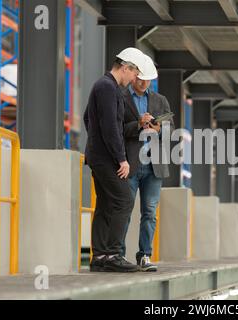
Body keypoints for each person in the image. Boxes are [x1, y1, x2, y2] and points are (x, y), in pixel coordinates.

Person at [83, 47, 146, 273]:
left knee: (106, 204)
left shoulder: (104, 86)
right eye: (134, 73)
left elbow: (87, 118)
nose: (134, 78)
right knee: (124, 200)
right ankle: (113, 254)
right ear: (125, 67)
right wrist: (121, 158)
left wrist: (95, 142)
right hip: (107, 158)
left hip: (98, 156)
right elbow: (111, 127)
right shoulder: (108, 87)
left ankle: (99, 256)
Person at [119, 54, 174, 271]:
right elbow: (118, 130)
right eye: (140, 78)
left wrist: (158, 129)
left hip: (154, 166)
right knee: (125, 210)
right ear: (133, 75)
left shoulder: (160, 101)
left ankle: (145, 255)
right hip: (130, 163)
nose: (143, 83)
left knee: (150, 212)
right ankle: (119, 256)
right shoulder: (121, 97)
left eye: (147, 79)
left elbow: (171, 131)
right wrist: (138, 124)